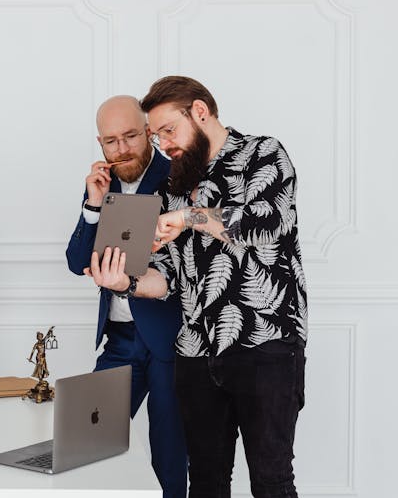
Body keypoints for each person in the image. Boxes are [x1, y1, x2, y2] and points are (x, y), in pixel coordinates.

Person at [87, 76, 308, 497]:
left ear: (201, 112)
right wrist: (126, 282)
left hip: (265, 346)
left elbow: (268, 223)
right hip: (194, 352)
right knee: (205, 482)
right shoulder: (174, 183)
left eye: (169, 130)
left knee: (271, 481)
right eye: (156, 135)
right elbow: (166, 276)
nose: (163, 143)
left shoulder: (263, 153)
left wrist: (190, 218)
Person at [66, 95, 187, 497]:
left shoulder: (181, 176)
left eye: (131, 136)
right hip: (119, 340)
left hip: (173, 340)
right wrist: (93, 204)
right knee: (86, 439)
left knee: (169, 457)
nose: (121, 149)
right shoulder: (103, 184)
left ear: (149, 132)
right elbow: (77, 261)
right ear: (99, 142)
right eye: (110, 141)